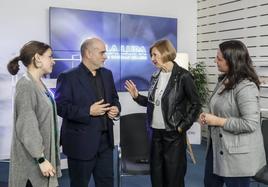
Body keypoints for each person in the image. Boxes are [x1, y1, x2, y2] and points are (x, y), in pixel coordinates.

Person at [125, 39, 201, 187]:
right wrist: (136, 96)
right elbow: (153, 104)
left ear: (166, 53)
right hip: (155, 134)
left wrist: (182, 127)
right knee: (157, 176)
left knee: (173, 178)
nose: (152, 59)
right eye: (151, 55)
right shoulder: (155, 76)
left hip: (173, 134)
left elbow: (196, 104)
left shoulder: (184, 76)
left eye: (155, 54)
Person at [199, 40, 266, 187]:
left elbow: (250, 123)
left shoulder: (246, 86)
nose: (215, 60)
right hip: (216, 149)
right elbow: (219, 108)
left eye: (219, 58)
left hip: (238, 157)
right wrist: (207, 117)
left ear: (232, 61)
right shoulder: (224, 80)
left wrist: (217, 121)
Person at [55, 37, 121, 187]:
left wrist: (116, 109)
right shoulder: (68, 77)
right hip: (80, 144)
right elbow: (60, 107)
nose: (106, 56)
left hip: (105, 143)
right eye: (102, 52)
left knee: (106, 183)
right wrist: (88, 111)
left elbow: (114, 99)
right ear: (88, 53)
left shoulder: (107, 74)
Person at [7, 41, 61, 187]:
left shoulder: (39, 84)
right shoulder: (26, 85)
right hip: (32, 165)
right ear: (37, 58)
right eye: (50, 57)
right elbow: (27, 127)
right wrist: (41, 159)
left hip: (42, 163)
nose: (53, 61)